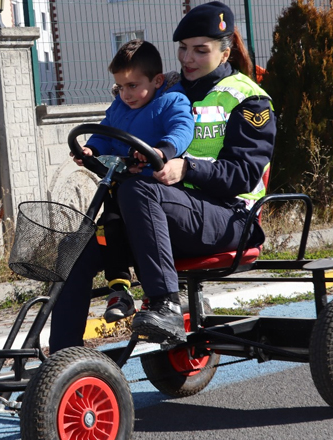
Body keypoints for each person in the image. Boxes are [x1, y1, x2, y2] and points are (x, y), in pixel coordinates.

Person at [50, 1, 275, 353]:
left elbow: (244, 174)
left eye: (201, 50)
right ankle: (64, 358)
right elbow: (121, 118)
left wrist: (187, 168)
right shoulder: (166, 89)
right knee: (74, 248)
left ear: (225, 51)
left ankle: (165, 304)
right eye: (183, 49)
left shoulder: (249, 100)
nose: (188, 58)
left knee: (139, 190)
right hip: (162, 212)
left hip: (229, 216)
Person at [76, 39, 194, 324]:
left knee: (141, 230)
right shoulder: (119, 107)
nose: (125, 94)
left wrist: (162, 151)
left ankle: (161, 294)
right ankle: (119, 289)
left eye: (132, 85)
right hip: (120, 186)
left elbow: (182, 129)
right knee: (107, 228)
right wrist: (92, 148)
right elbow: (105, 132)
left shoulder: (172, 101)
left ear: (156, 80)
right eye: (120, 87)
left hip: (154, 190)